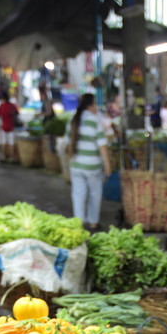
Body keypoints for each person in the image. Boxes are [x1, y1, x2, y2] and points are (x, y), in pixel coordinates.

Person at [66, 92, 111, 233]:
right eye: (95, 104)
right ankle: (93, 223)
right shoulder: (94, 120)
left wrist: (68, 165)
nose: (96, 107)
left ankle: (78, 223)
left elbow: (67, 145)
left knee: (78, 194)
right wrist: (108, 165)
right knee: (94, 194)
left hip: (76, 165)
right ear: (90, 105)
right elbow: (102, 145)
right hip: (92, 166)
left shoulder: (73, 120)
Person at [0, 91, 19, 162]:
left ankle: (3, 156)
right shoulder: (12, 105)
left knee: (3, 142)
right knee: (11, 143)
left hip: (4, 126)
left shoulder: (2, 106)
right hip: (11, 126)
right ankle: (11, 158)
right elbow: (17, 113)